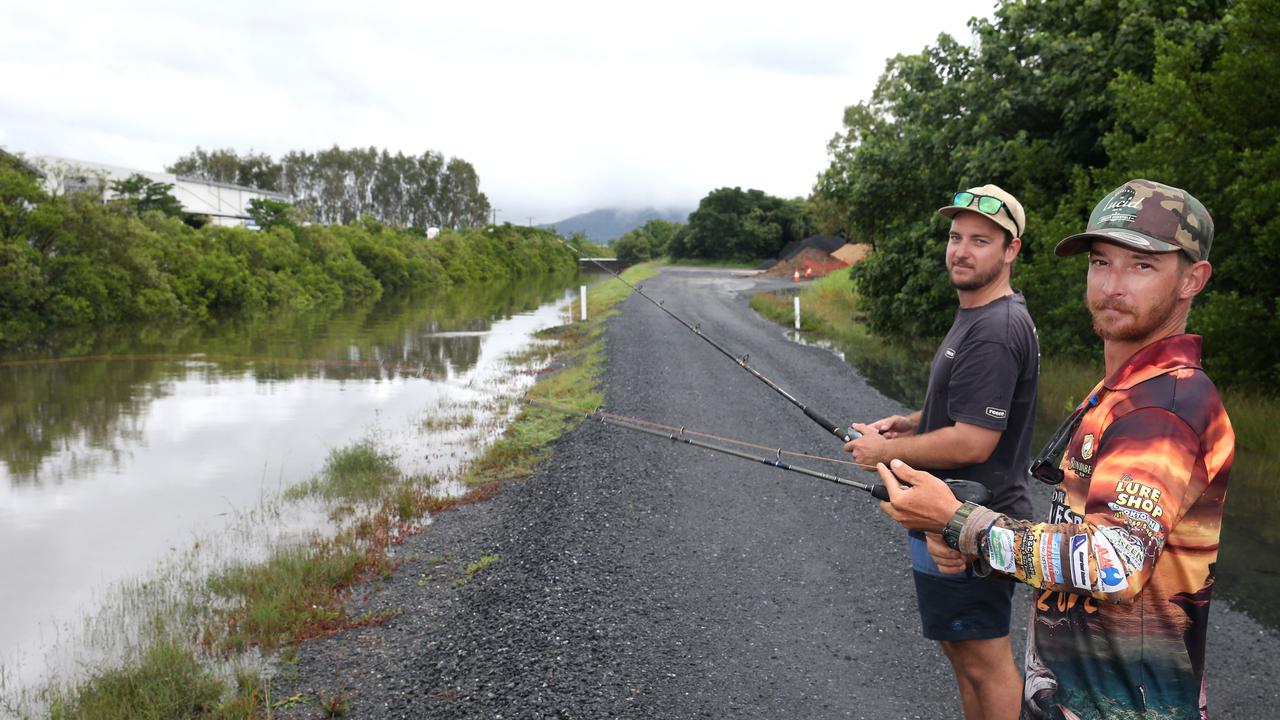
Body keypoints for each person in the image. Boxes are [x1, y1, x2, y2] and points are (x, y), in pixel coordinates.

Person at [877, 179, 1234, 720]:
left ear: (1193, 279)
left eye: (1141, 266)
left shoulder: (1163, 409)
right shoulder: (1122, 390)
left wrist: (960, 522)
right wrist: (979, 550)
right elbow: (1083, 542)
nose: (1113, 285)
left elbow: (1112, 564)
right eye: (1101, 263)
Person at [844, 184, 1039, 720]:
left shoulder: (995, 328)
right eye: (956, 237)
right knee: (962, 653)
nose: (962, 249)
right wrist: (909, 422)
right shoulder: (978, 314)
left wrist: (883, 451)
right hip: (946, 513)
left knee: (984, 661)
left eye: (981, 239)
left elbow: (976, 439)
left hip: (974, 516)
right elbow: (971, 408)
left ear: (1011, 250)